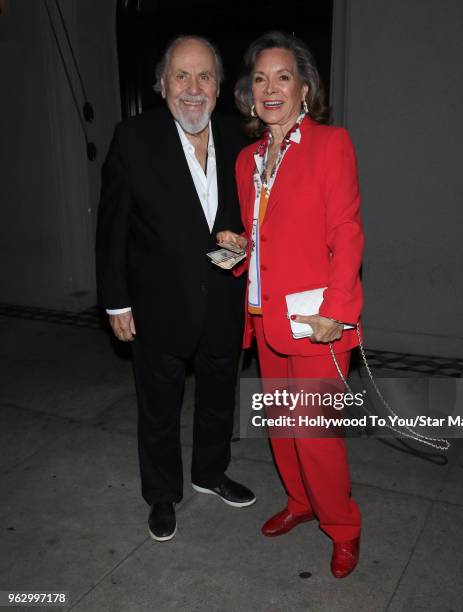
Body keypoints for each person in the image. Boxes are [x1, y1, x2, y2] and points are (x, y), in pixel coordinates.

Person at [96, 35, 255, 543]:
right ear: (161, 84)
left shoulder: (238, 138)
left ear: (219, 86)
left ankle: (210, 472)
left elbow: (248, 222)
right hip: (157, 305)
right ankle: (161, 494)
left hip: (223, 303)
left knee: (217, 398)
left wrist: (243, 245)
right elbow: (113, 227)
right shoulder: (133, 137)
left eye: (204, 76)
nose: (193, 88)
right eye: (181, 76)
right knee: (159, 407)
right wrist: (116, 300)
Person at [217, 31, 364, 578]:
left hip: (315, 321)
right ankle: (301, 504)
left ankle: (343, 527)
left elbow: (346, 232)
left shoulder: (331, 145)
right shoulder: (248, 158)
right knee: (281, 425)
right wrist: (238, 250)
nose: (270, 88)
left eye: (283, 76)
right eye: (260, 78)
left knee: (316, 434)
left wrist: (339, 310)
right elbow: (262, 237)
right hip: (265, 319)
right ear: (249, 93)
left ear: (305, 88)